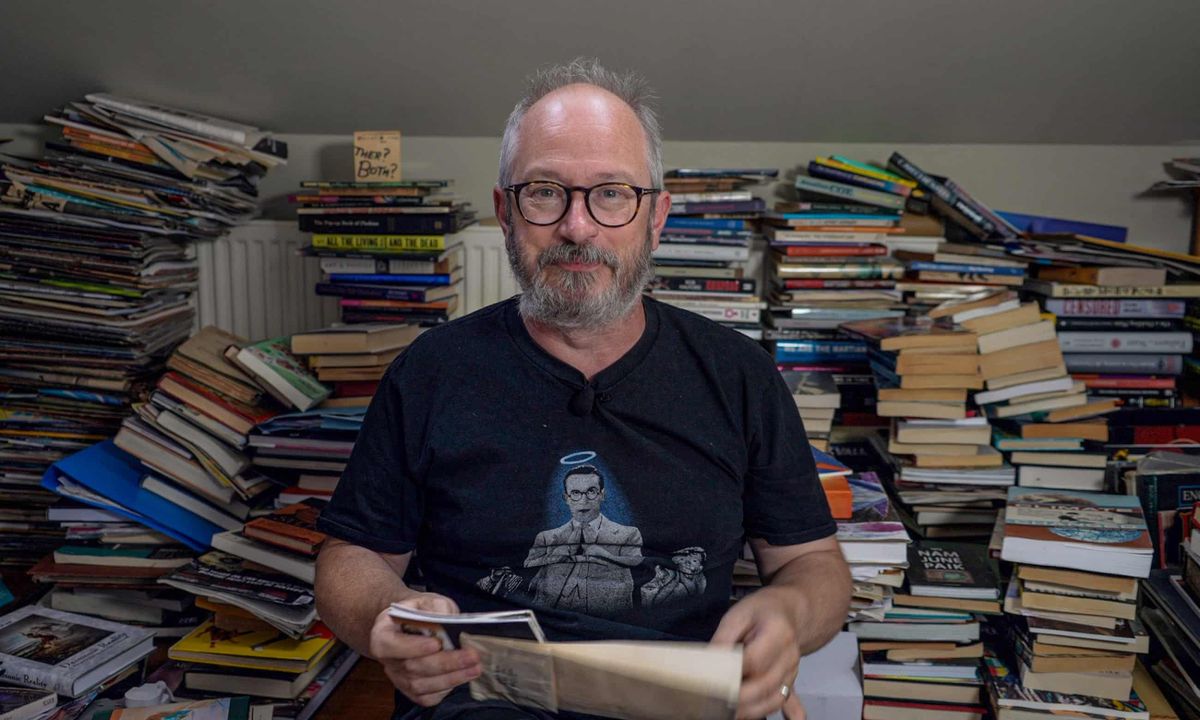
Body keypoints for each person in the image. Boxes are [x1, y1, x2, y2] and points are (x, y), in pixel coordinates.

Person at [314, 58, 852, 720]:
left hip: (683, 705)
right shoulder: (431, 371)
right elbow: (352, 556)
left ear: (656, 217)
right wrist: (384, 616)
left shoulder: (738, 376)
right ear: (504, 213)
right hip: (478, 703)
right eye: (545, 192)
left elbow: (816, 566)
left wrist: (790, 611)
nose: (577, 227)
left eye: (611, 193)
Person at [523, 464, 643, 616]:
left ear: (602, 494)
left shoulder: (628, 533)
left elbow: (638, 562)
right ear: (566, 498)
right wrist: (557, 557)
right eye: (575, 493)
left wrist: (605, 555)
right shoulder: (547, 537)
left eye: (591, 491)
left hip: (609, 618)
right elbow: (527, 565)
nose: (583, 500)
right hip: (550, 617)